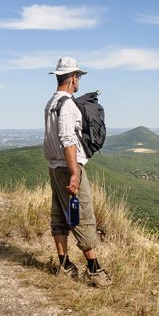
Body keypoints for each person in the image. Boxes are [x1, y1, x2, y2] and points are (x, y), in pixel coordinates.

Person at [43, 56, 112, 288]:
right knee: (82, 215)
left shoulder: (50, 103)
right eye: (78, 76)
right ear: (73, 78)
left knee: (60, 216)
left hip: (54, 167)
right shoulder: (68, 105)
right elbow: (67, 139)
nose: (78, 80)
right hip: (68, 167)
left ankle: (64, 264)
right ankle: (95, 270)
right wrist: (75, 172)